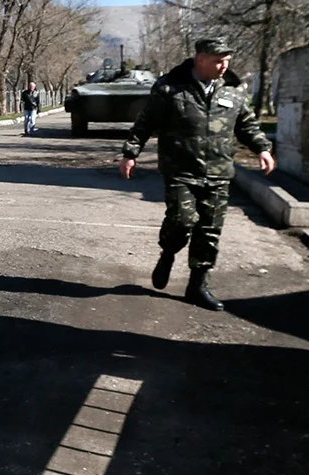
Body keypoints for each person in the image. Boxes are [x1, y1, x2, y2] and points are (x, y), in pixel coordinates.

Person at [118, 37, 275, 311]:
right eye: (218, 60)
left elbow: (247, 125)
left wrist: (262, 148)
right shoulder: (170, 88)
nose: (223, 66)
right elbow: (146, 122)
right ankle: (168, 252)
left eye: (227, 60)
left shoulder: (233, 91)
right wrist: (131, 153)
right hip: (181, 170)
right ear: (200, 59)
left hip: (218, 172)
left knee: (210, 231)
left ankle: (197, 285)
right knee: (182, 220)